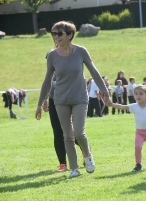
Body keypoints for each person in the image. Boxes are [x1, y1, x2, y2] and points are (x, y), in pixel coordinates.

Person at [35, 21, 111, 178]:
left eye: (59, 33)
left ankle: (88, 155)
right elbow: (47, 80)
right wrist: (40, 103)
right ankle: (74, 169)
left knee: (78, 132)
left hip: (79, 98)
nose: (56, 37)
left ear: (69, 35)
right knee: (67, 135)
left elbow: (94, 72)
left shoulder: (81, 51)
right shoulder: (52, 55)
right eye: (53, 33)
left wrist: (105, 92)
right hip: (60, 99)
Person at [109, 84, 146, 172]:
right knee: (138, 147)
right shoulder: (134, 106)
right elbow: (122, 107)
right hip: (139, 132)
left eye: (140, 93)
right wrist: (112, 104)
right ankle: (138, 164)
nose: (138, 96)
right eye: (136, 93)